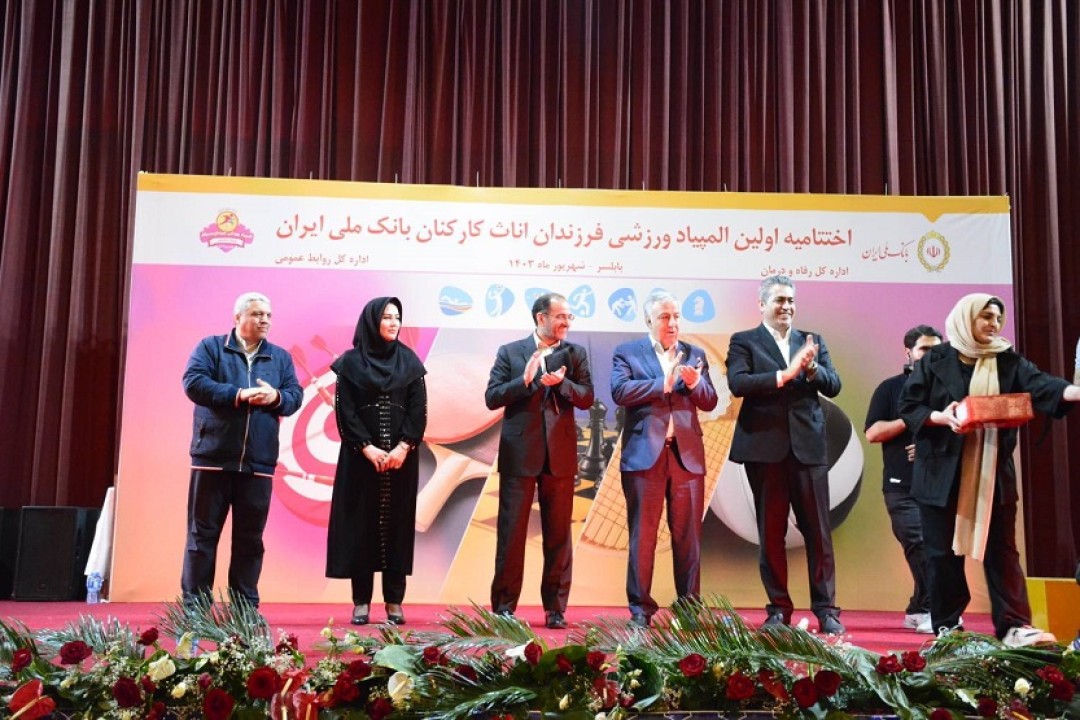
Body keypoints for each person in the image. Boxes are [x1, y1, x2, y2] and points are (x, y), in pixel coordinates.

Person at [900, 293, 1080, 646]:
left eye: (998, 318)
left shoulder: (1007, 359)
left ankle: (1014, 625)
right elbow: (909, 406)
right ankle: (947, 627)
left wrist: (1074, 392)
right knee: (942, 555)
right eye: (986, 317)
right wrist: (941, 417)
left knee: (1003, 551)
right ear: (966, 317)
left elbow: (1041, 386)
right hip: (940, 473)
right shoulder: (935, 359)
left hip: (992, 472)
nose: (994, 324)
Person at [727, 275, 844, 635]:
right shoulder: (744, 341)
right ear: (761, 304)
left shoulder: (811, 340)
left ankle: (827, 610)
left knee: (819, 532)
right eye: (779, 300)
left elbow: (834, 385)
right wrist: (785, 374)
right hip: (765, 450)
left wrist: (812, 369)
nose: (787, 307)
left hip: (808, 449)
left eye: (791, 300)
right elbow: (738, 383)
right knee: (772, 533)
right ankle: (778, 609)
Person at [181, 292, 303, 607]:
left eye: (268, 315)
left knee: (250, 540)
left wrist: (276, 397)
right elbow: (193, 383)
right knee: (201, 537)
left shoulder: (280, 357)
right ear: (237, 318)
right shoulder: (210, 347)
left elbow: (295, 396)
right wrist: (239, 394)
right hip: (212, 458)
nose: (265, 320)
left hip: (258, 462)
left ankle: (244, 608)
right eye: (257, 314)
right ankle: (195, 609)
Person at [484, 293, 594, 629]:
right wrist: (524, 381)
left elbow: (587, 397)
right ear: (540, 318)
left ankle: (555, 608)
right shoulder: (511, 352)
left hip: (560, 454)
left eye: (569, 317)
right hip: (520, 453)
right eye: (560, 317)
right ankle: (504, 608)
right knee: (511, 534)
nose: (566, 323)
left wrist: (562, 384)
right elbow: (492, 397)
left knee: (559, 535)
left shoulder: (575, 353)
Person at [611, 290, 718, 627]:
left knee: (688, 538)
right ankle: (640, 610)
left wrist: (696, 384)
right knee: (642, 536)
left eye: (676, 317)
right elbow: (620, 392)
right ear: (649, 321)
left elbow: (710, 400)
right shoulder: (627, 352)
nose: (672, 323)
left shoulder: (695, 353)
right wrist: (664, 383)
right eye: (664, 317)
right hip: (645, 456)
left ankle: (688, 609)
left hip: (686, 457)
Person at [327, 297, 427, 626]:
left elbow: (418, 409)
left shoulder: (410, 362)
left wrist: (404, 447)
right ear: (372, 321)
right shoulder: (350, 363)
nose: (394, 323)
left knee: (397, 527)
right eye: (386, 317)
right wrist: (366, 448)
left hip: (401, 461)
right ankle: (361, 602)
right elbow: (345, 411)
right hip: (360, 460)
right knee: (360, 526)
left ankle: (394, 601)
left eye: (397, 317)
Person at [864, 325, 943, 634]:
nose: (931, 356)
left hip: (940, 484)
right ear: (908, 352)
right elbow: (873, 432)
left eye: (937, 350)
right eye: (924, 349)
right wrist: (910, 419)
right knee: (918, 542)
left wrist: (928, 449)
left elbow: (960, 430)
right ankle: (937, 610)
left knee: (939, 548)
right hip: (901, 486)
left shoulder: (949, 389)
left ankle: (919, 608)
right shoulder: (890, 388)